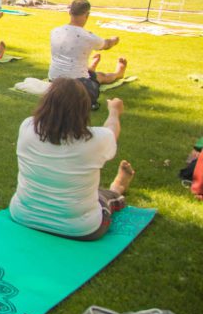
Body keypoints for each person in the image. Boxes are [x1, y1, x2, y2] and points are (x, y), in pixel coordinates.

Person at [8, 78, 135, 240]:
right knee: (103, 197)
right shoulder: (96, 140)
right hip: (81, 228)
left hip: (23, 215)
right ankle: (117, 189)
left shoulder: (27, 126)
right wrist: (114, 112)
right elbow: (112, 131)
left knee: (80, 192)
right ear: (83, 108)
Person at [49, 0, 127, 109]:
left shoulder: (55, 31)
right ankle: (117, 74)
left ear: (70, 12)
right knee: (100, 76)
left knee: (78, 64)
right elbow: (107, 45)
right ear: (87, 14)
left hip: (54, 80)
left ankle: (91, 68)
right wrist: (115, 40)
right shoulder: (88, 37)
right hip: (77, 85)